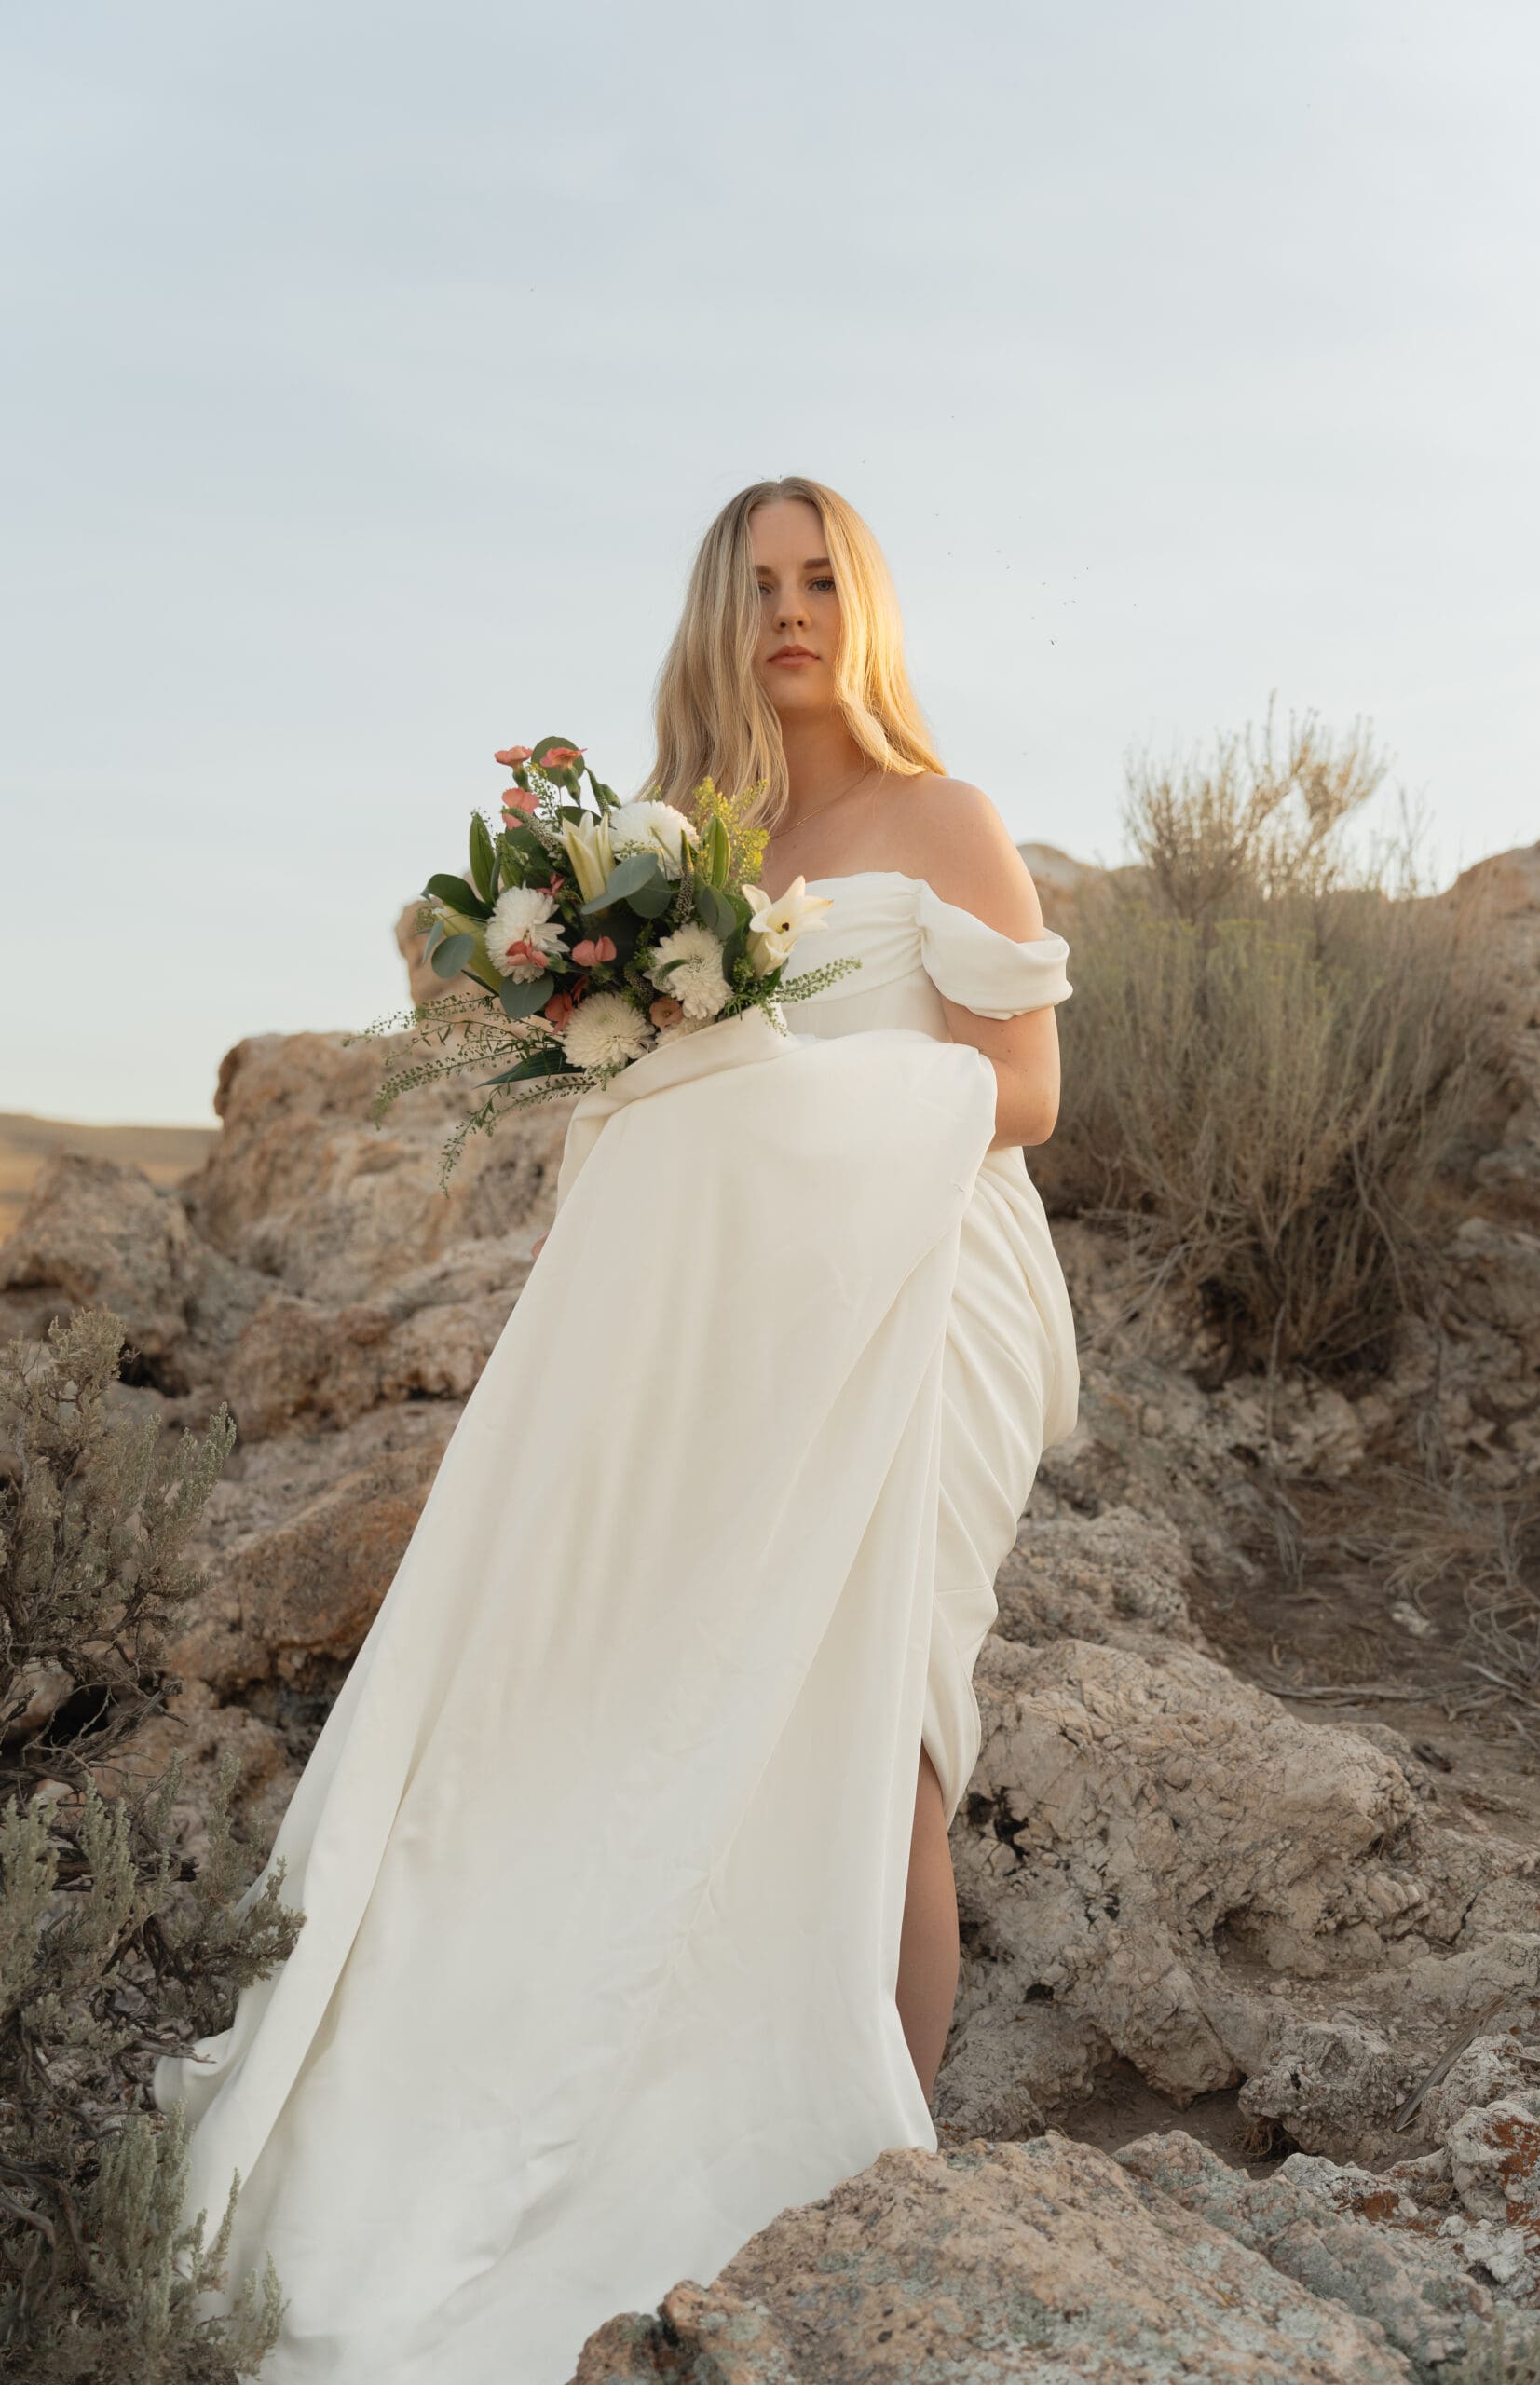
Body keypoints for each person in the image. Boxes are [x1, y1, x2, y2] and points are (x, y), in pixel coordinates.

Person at [152, 474, 1079, 2384]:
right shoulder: (676, 846)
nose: (790, 612)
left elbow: (1023, 1089)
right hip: (730, 1304)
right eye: (756, 584)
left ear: (865, 608)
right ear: (713, 616)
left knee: (891, 1706)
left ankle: (879, 2173)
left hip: (927, 1283)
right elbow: (626, 1102)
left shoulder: (945, 817)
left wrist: (793, 1099)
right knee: (685, 1688)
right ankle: (642, 2090)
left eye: (820, 579)